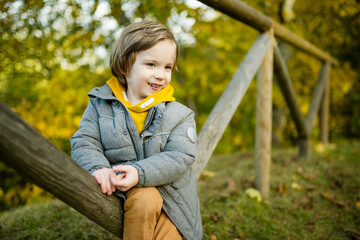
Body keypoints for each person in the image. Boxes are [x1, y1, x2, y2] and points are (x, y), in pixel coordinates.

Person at [70, 20, 202, 240]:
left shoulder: (180, 114)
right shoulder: (100, 104)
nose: (161, 75)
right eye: (151, 64)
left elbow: (180, 156)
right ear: (124, 65)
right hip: (125, 195)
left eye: (167, 67)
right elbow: (85, 141)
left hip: (173, 205)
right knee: (144, 197)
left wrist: (139, 173)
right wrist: (97, 168)